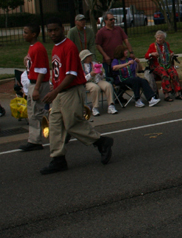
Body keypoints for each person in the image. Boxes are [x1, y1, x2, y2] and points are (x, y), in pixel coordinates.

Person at [39, 18, 114, 175]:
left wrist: (55, 91)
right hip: (60, 92)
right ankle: (58, 158)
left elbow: (71, 74)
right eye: (50, 30)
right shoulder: (55, 48)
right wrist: (54, 88)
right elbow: (58, 71)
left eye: (55, 30)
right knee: (55, 124)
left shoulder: (69, 47)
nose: (52, 33)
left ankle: (101, 142)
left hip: (71, 90)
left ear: (63, 29)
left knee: (72, 123)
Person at [20, 24, 48, 152]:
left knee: (37, 112)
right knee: (32, 113)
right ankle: (34, 140)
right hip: (32, 82)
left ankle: (38, 139)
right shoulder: (32, 48)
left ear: (34, 34)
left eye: (26, 32)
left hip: (38, 83)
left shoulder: (38, 48)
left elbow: (42, 70)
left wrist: (36, 88)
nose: (24, 34)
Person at [145, 30, 182, 101]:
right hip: (157, 65)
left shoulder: (166, 45)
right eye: (157, 37)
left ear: (164, 39)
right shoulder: (152, 46)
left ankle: (177, 93)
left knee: (174, 73)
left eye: (160, 38)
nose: (159, 39)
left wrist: (171, 53)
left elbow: (169, 51)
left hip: (167, 64)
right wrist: (152, 54)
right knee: (164, 74)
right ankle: (166, 94)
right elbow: (146, 56)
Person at [80, 49, 117, 115]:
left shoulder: (95, 64)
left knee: (108, 85)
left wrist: (101, 74)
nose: (91, 57)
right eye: (89, 56)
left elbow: (102, 77)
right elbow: (82, 79)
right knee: (95, 88)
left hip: (97, 81)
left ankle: (111, 105)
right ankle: (95, 107)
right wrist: (90, 75)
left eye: (90, 56)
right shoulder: (80, 67)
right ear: (85, 58)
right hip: (87, 83)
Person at [95, 11, 132, 76]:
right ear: (105, 21)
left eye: (114, 19)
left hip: (119, 59)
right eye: (111, 19)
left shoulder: (118, 29)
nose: (113, 21)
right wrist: (105, 56)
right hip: (109, 59)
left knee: (122, 75)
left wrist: (131, 52)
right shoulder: (101, 32)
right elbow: (98, 45)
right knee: (110, 76)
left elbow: (126, 41)